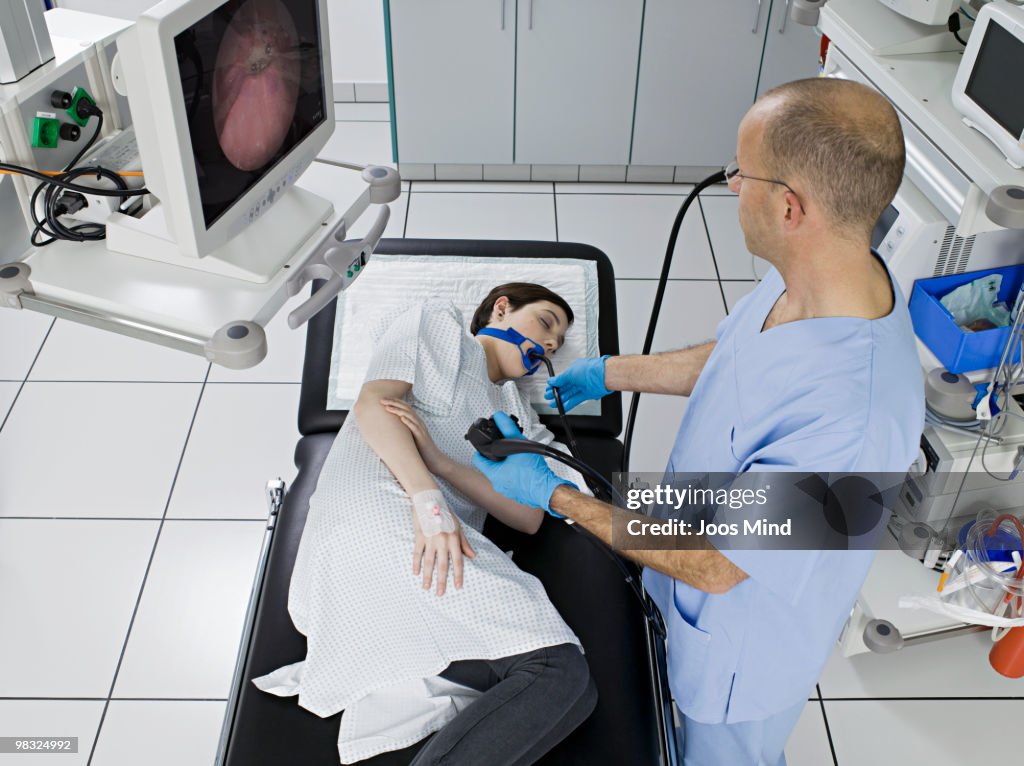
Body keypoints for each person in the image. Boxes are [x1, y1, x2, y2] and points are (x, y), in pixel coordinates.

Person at [462, 79, 926, 765]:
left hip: (741, 653)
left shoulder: (853, 423)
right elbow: (737, 356)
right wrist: (606, 372)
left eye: (742, 174)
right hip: (690, 538)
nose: (731, 184)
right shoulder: (822, 272)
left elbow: (714, 567)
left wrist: (554, 495)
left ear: (791, 207)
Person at [253, 283, 597, 765]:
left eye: (556, 345)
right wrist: (429, 501)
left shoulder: (518, 417)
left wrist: (444, 464)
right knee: (557, 669)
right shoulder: (439, 324)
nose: (549, 346)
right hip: (380, 507)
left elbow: (529, 517)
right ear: (502, 308)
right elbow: (375, 405)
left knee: (570, 684)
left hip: (432, 535)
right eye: (545, 323)